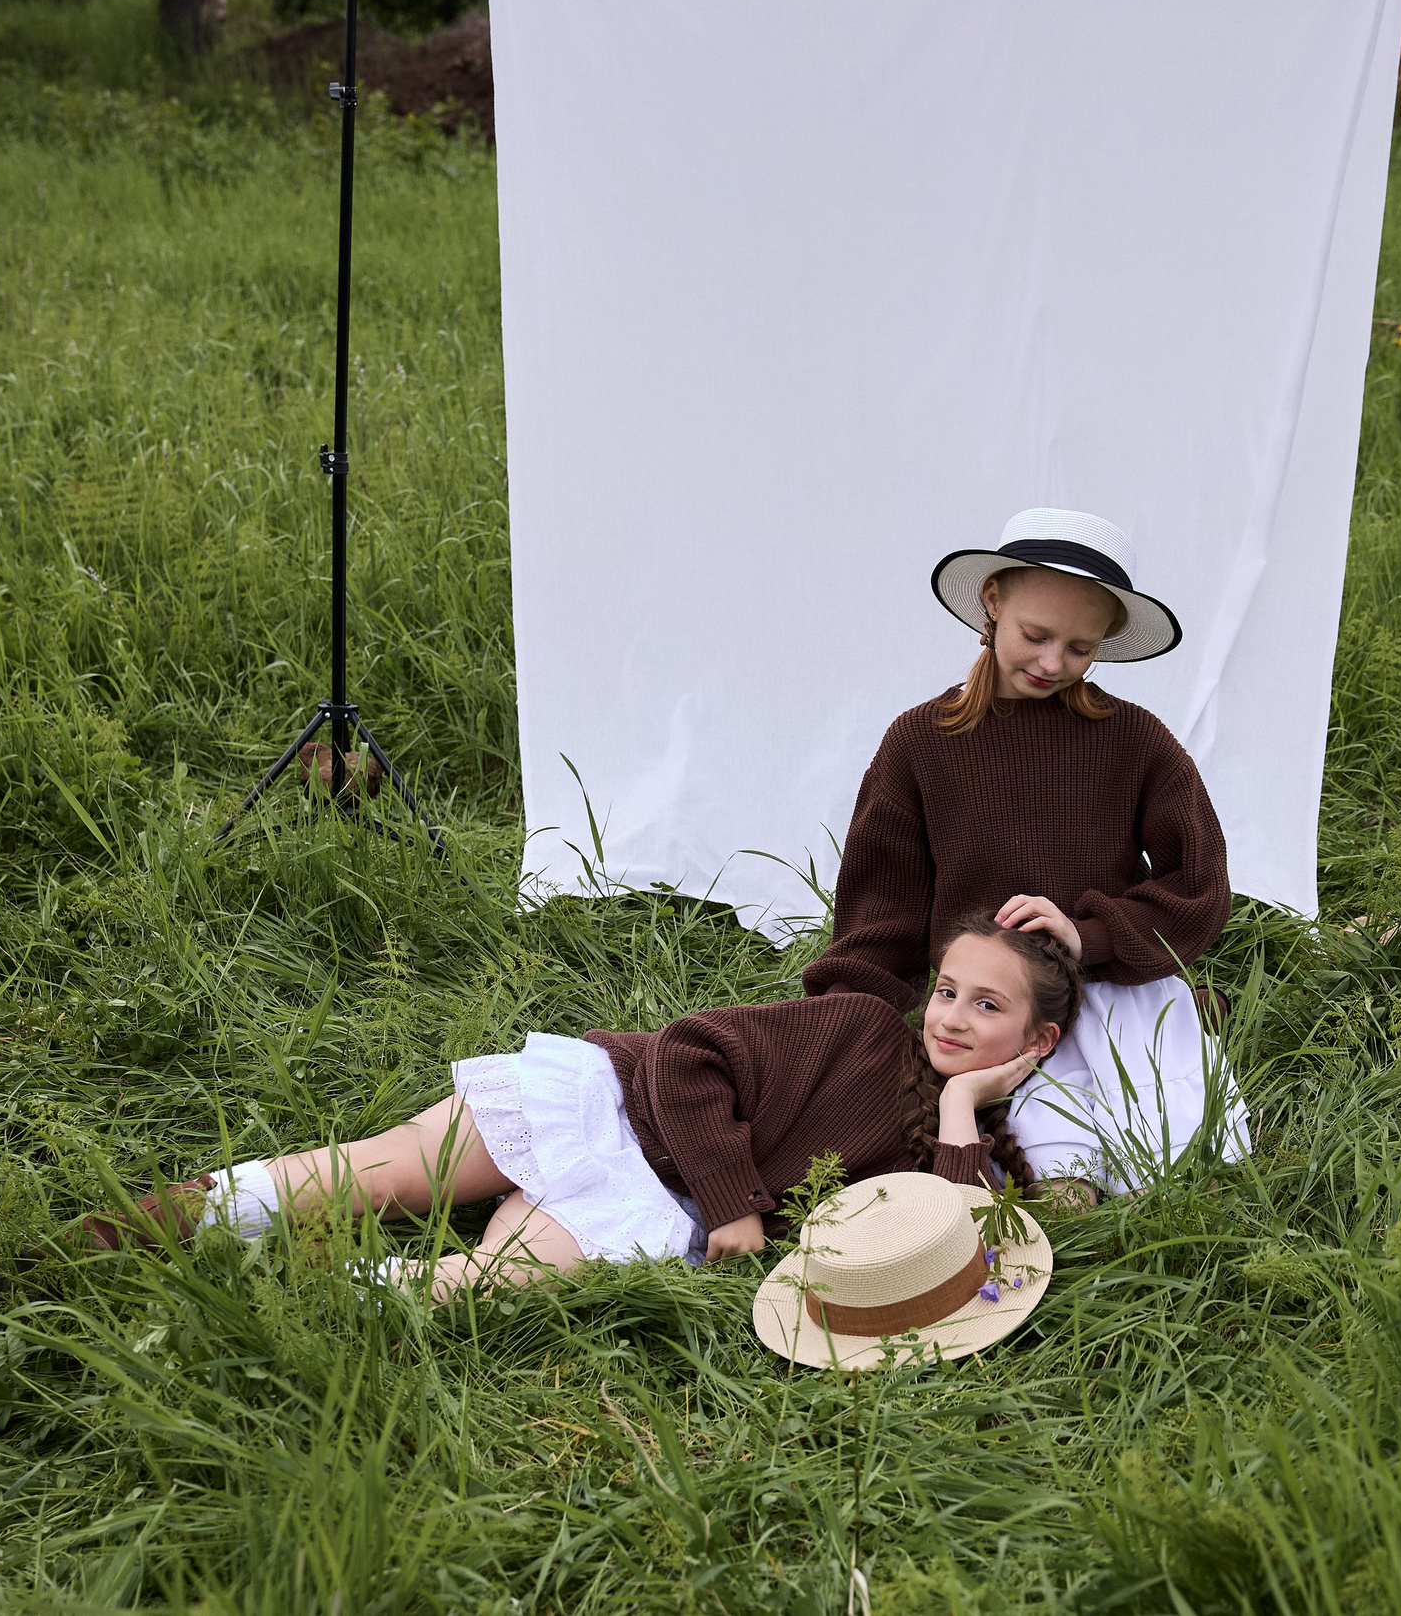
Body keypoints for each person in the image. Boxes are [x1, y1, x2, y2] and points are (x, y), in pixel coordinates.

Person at [76, 915, 1081, 1297]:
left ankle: (258, 1306)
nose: (949, 1016)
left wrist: (961, 1112)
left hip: (650, 1203)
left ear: (1036, 1043)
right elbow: (693, 1051)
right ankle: (116, 1236)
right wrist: (735, 1199)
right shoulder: (859, 1025)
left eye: (986, 1008)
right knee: (385, 1172)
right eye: (948, 988)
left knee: (473, 1286)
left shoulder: (966, 1161)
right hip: (616, 1102)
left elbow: (956, 1256)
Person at [804, 507, 1246, 1195]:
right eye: (1035, 635)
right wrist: (855, 1024)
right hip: (977, 1008)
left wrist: (1090, 935)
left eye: (1079, 647)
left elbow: (1201, 884)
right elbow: (880, 908)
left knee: (1162, 1145)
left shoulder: (1135, 742)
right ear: (993, 601)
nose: (1052, 663)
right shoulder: (920, 742)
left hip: (1095, 991)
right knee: (937, 1153)